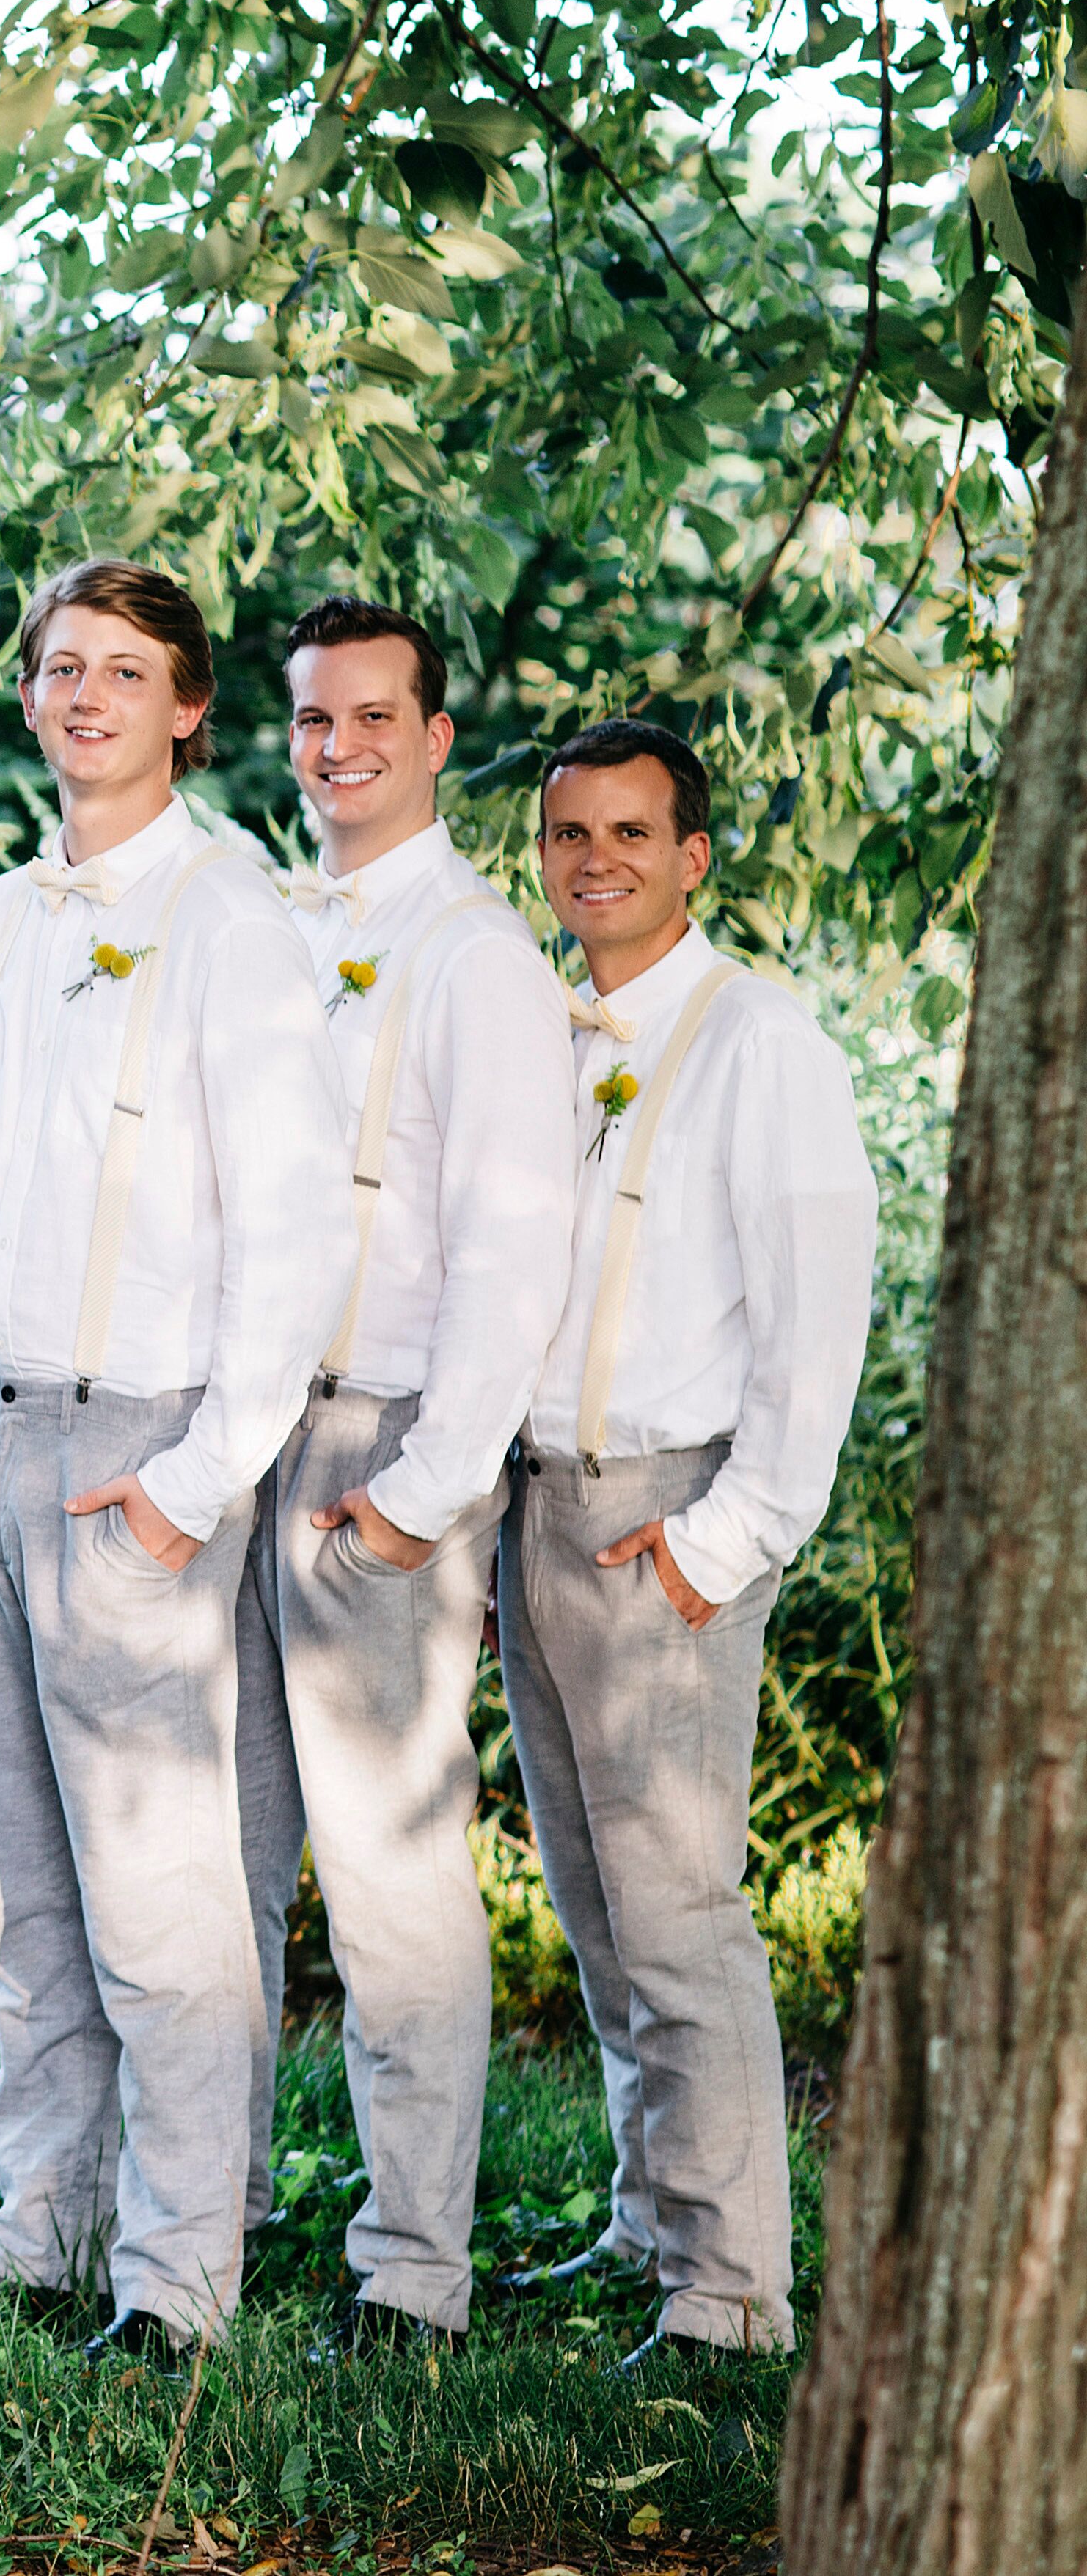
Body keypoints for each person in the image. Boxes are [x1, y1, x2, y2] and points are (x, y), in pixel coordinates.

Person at [0, 559, 344, 2361]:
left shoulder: (234, 921)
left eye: (126, 672)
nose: (84, 694)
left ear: (186, 709)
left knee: (162, 1896)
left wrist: (198, 1477)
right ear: (28, 697)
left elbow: (295, 1231)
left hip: (133, 1450)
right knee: (16, 1877)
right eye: (59, 667)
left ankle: (181, 2276)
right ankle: (44, 2225)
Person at [228, 599, 573, 2358]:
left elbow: (518, 1254)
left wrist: (424, 1490)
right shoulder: (266, 928)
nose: (336, 746)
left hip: (379, 1443)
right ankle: (189, 2232)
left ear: (436, 738)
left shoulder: (476, 955)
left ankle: (412, 2268)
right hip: (232, 1426)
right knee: (215, 1858)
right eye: (308, 718)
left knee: (388, 1868)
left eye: (371, 716)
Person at [507, 718, 870, 2366]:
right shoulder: (541, 1026)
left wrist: (723, 1537)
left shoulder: (759, 1041)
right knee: (592, 1896)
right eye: (569, 833)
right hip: (536, 1505)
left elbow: (816, 1317)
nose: (595, 862)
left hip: (666, 1512)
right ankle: (648, 2221)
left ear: (692, 853)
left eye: (629, 833)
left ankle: (730, 2291)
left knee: (678, 1910)